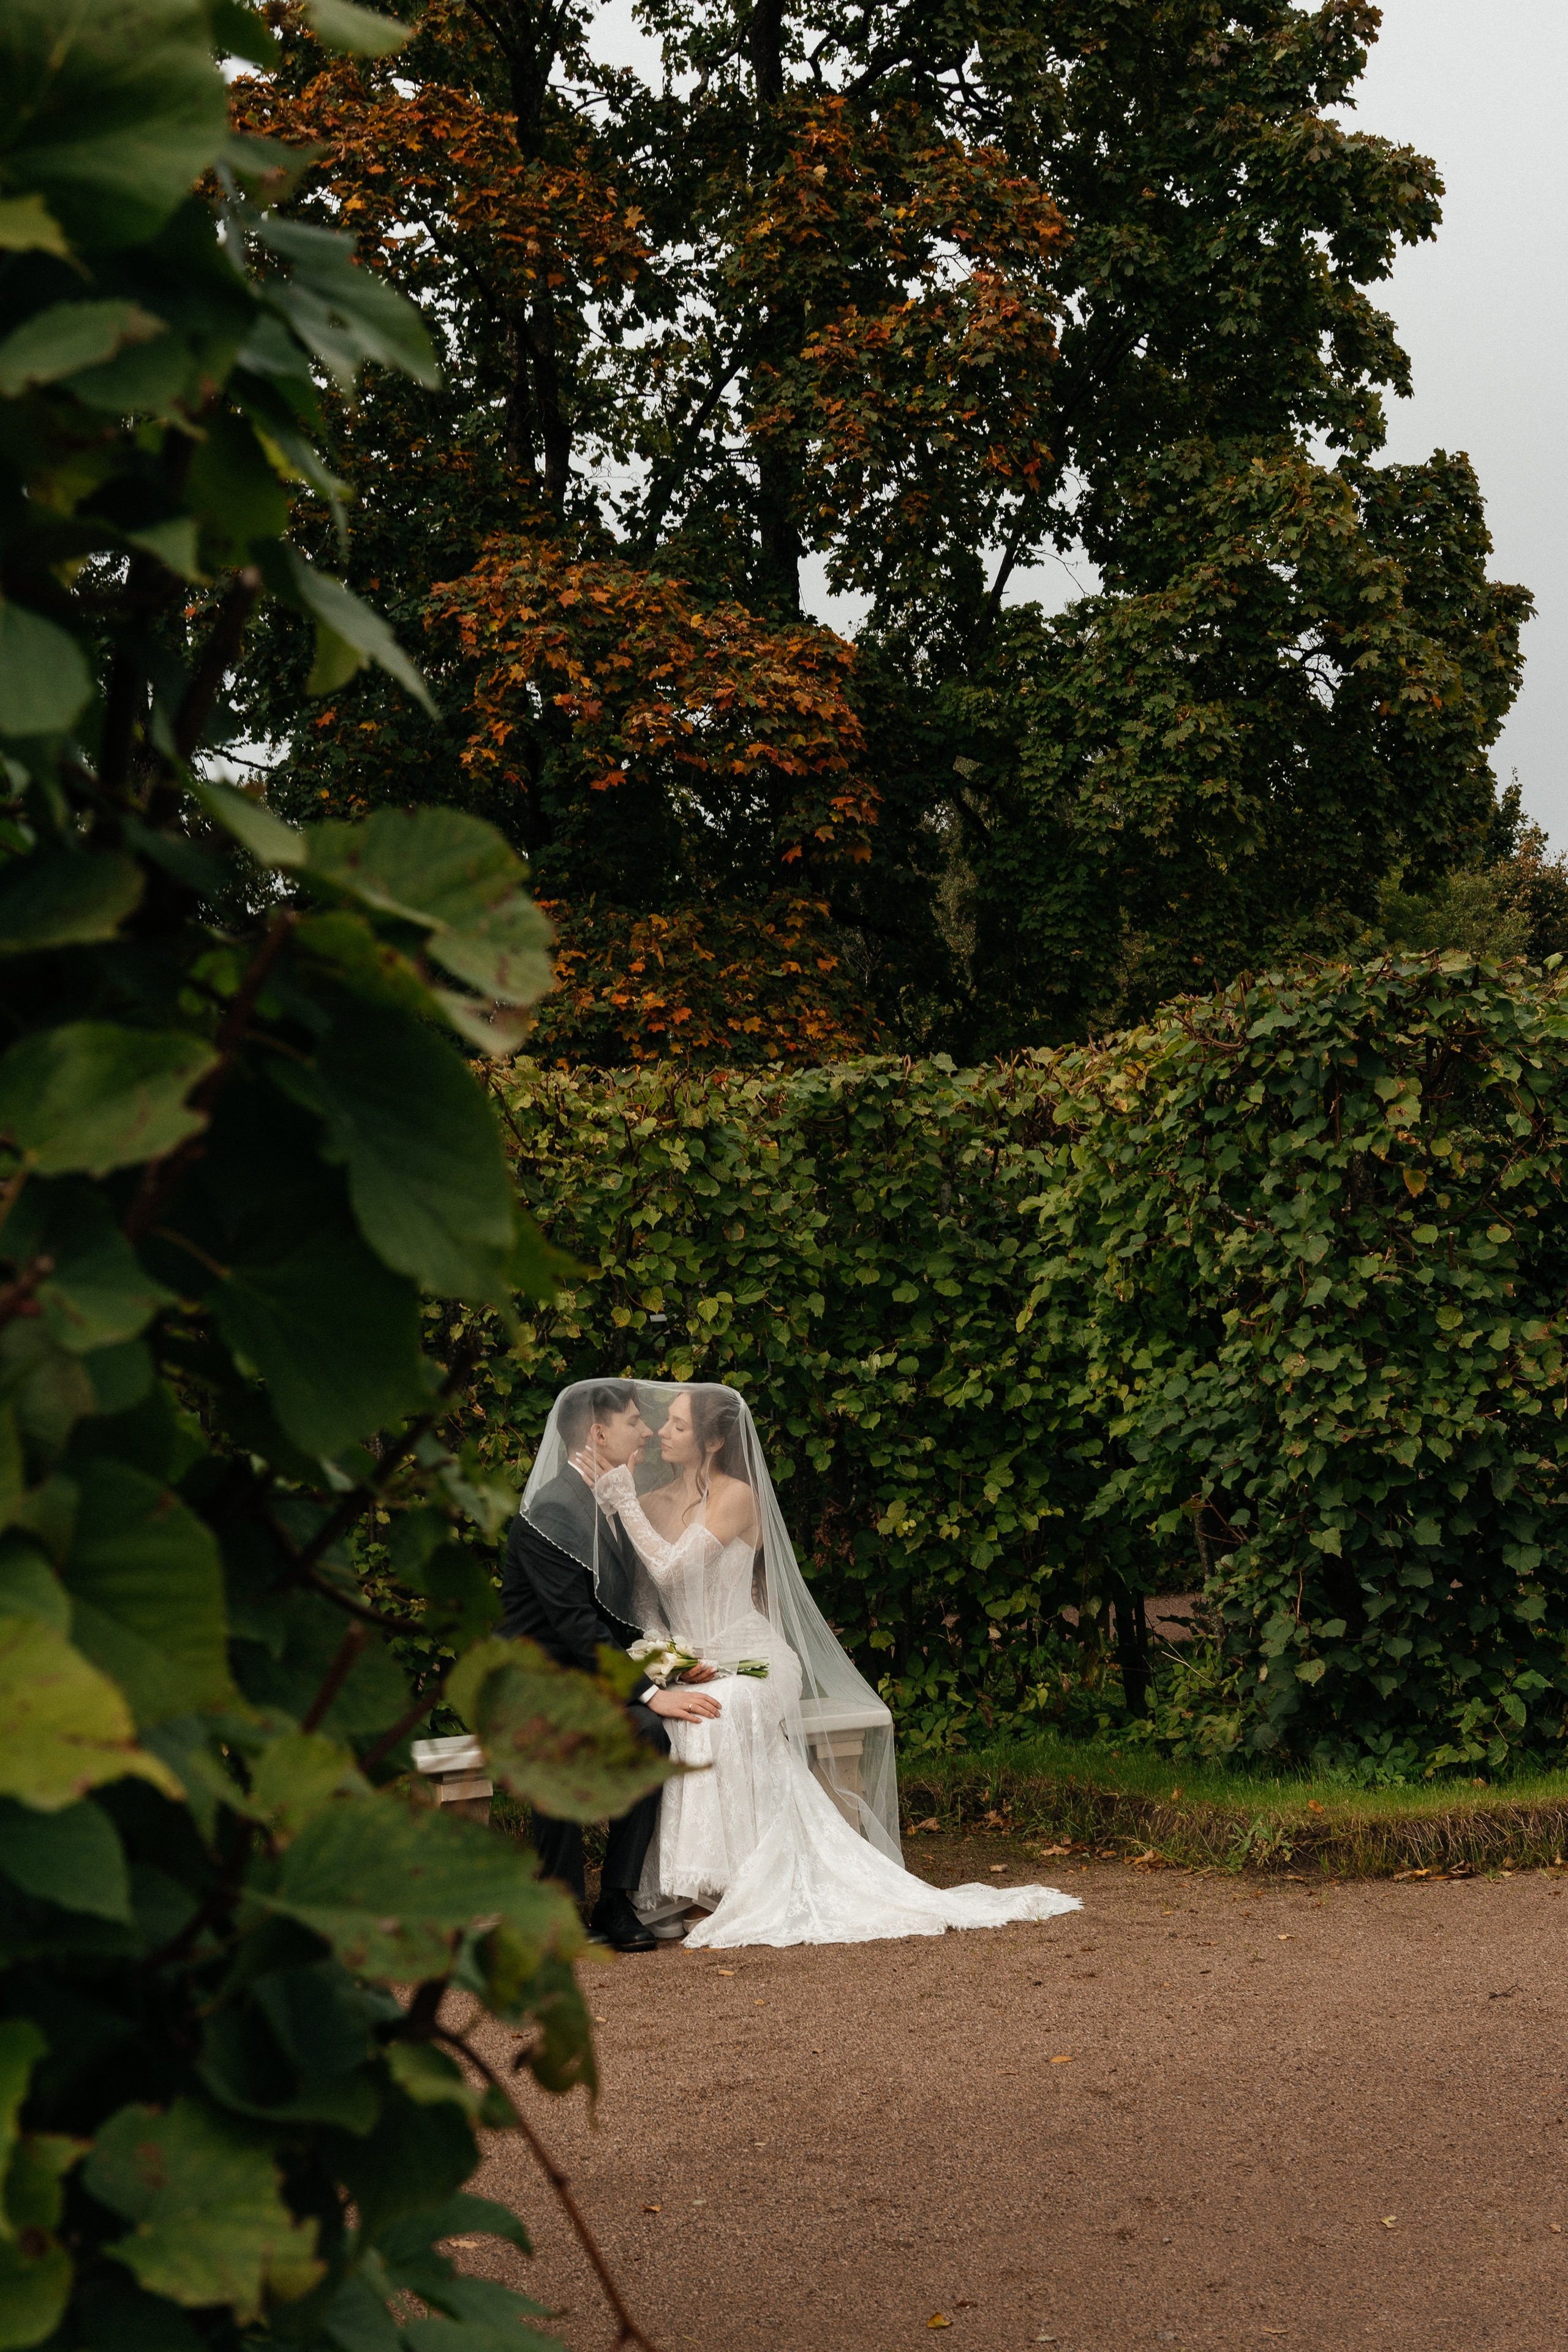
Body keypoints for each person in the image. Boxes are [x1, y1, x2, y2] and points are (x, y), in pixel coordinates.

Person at [520, 1377, 1082, 1950]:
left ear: (712, 1442)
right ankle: (678, 1889)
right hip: (692, 1661)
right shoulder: (642, 1502)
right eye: (651, 1421)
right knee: (683, 1714)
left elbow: (670, 1569)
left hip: (752, 1657)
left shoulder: (736, 1496)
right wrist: (672, 1665)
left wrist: (622, 1502)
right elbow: (643, 1607)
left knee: (722, 1707)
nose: (658, 1430)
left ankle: (724, 1886)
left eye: (677, 1424)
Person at [500, 1378, 720, 1953]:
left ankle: (616, 1900)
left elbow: (619, 1618)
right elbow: (576, 1624)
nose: (646, 1431)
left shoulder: (605, 1497)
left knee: (648, 1735)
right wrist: (651, 1692)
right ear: (598, 1434)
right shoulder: (555, 1509)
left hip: (586, 1676)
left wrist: (672, 1668)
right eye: (633, 1421)